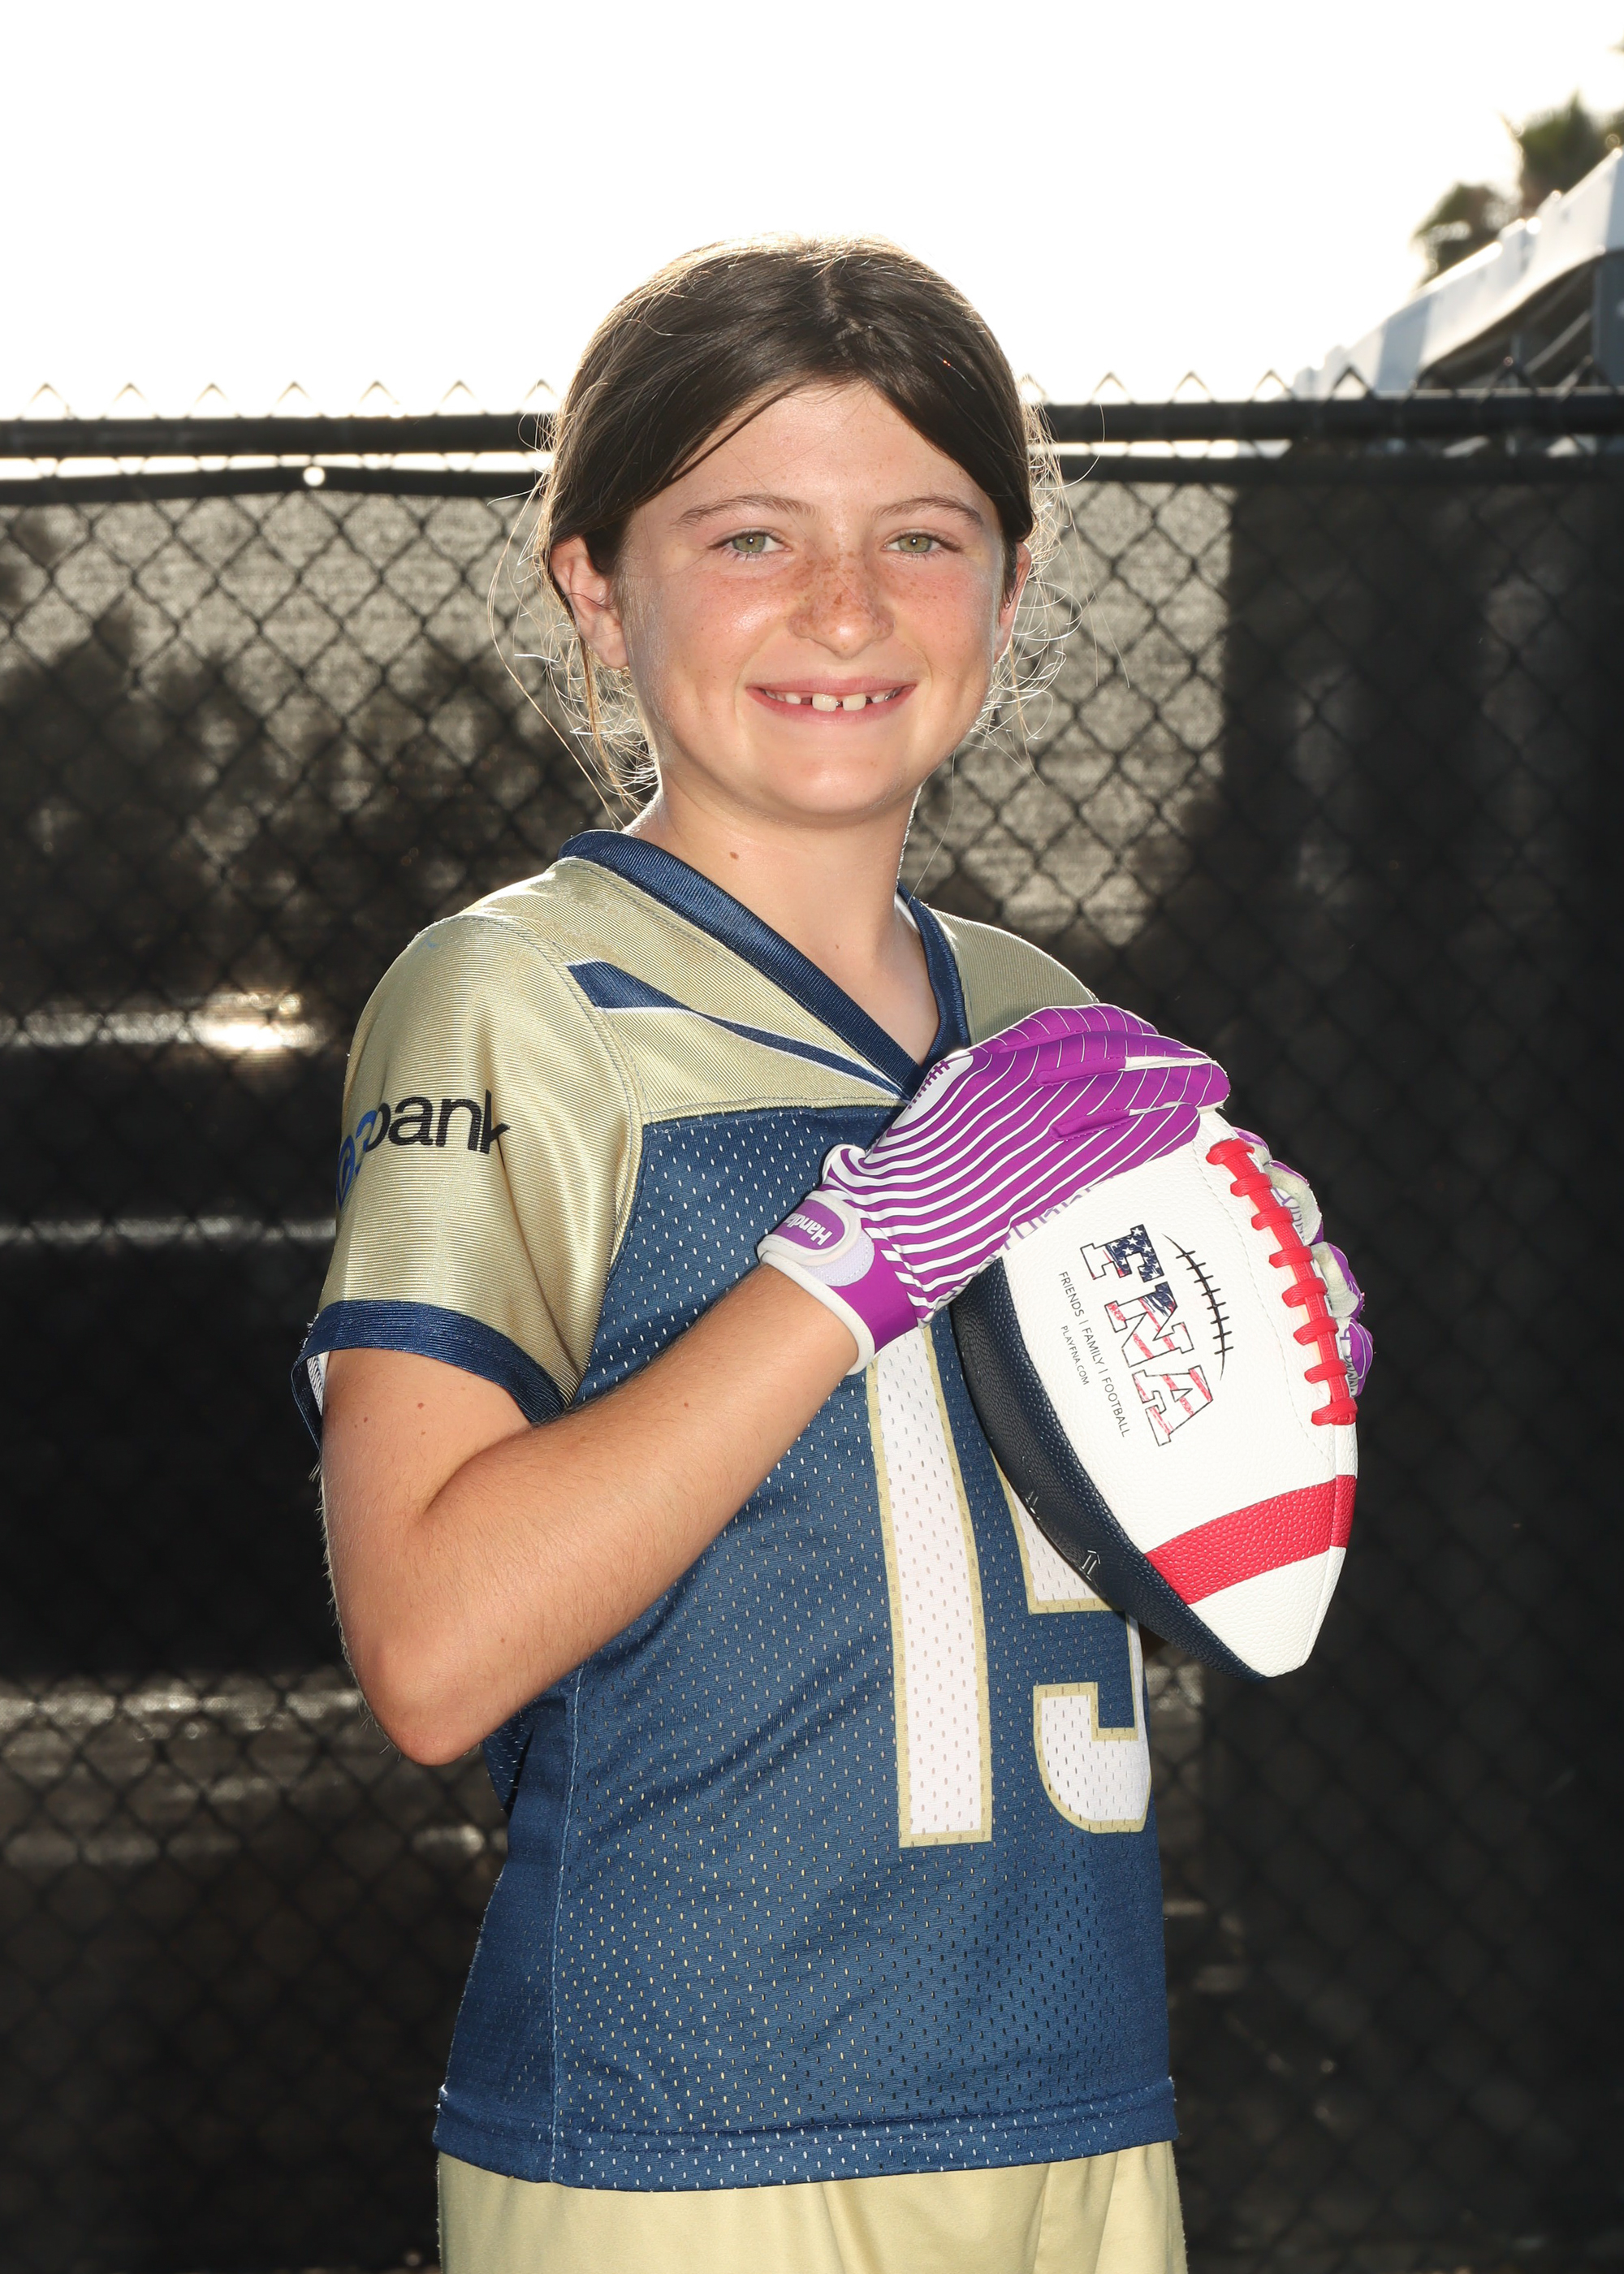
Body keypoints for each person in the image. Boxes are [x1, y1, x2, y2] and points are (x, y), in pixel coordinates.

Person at [296, 238, 1227, 2274]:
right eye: (749, 534)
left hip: (1075, 2095)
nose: (846, 604)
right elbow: (431, 1650)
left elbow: (1107, 1592)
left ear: (1008, 586)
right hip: (687, 2128)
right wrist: (848, 1264)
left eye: (922, 533)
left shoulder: (1047, 1018)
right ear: (594, 586)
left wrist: (1258, 1392)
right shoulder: (514, 995)